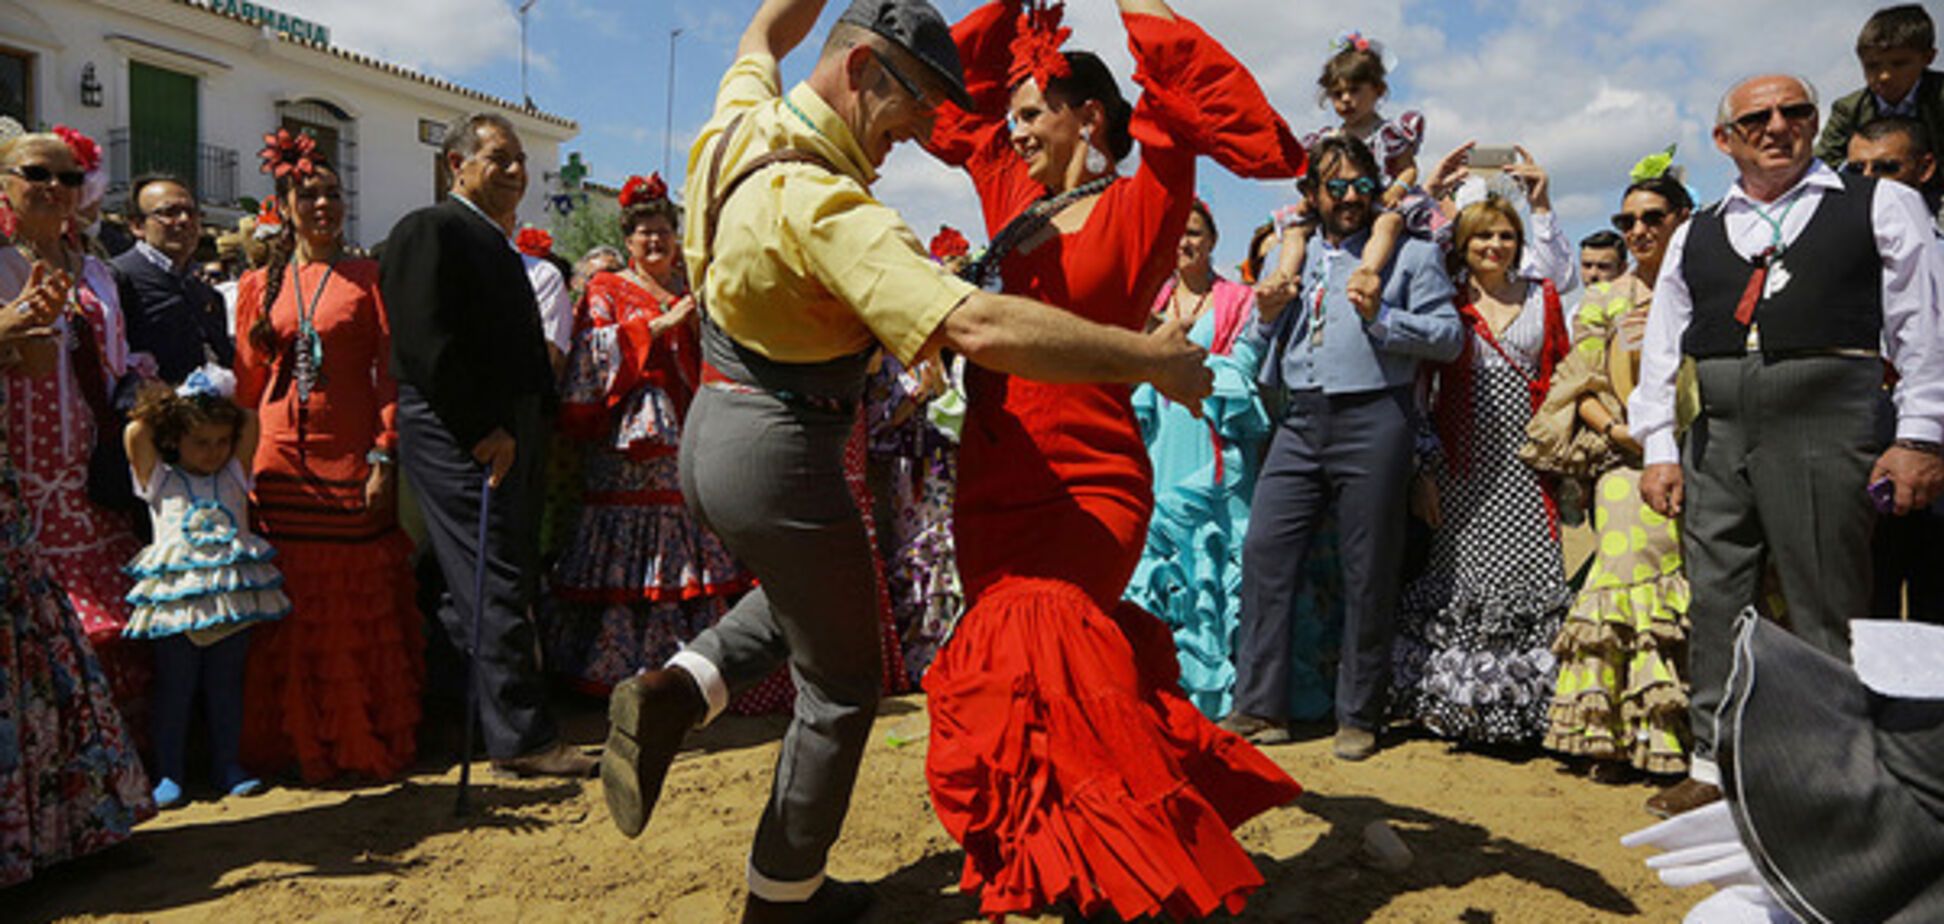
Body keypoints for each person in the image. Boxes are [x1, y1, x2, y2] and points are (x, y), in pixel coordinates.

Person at [595, 0, 1218, 919]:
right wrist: (1151, 359)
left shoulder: (743, 119)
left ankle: (682, 686)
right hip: (782, 451)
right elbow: (977, 325)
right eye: (913, 105)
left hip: (715, 437)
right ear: (862, 73)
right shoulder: (827, 205)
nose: (919, 134)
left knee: (826, 596)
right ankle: (784, 898)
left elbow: (761, 35)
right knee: (842, 682)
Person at [920, 2, 1311, 917]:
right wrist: (1013, 12)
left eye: (1031, 114)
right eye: (1012, 117)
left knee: (1044, 634)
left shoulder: (1147, 197)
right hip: (993, 466)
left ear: (1087, 117)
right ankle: (1058, 864)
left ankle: (1142, 870)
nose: (1012, 132)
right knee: (1029, 679)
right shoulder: (1002, 187)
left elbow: (1199, 94)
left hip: (1090, 479)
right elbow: (947, 90)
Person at [1632, 74, 1944, 819]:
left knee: (1825, 598)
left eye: (1794, 111)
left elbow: (1921, 326)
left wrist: (1920, 435)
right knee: (1715, 600)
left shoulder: (1880, 202)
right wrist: (1657, 447)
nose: (1777, 125)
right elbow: (1662, 346)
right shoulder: (1697, 228)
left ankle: (1838, 764)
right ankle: (1713, 760)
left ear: (1812, 122)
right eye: (1756, 116)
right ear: (1724, 139)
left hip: (1829, 418)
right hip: (1720, 430)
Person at [1228, 134, 1463, 761]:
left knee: (1369, 570)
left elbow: (1448, 336)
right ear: (1313, 195)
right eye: (1337, 187)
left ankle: (1358, 715)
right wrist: (1268, 312)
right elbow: (1263, 333)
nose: (1352, 197)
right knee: (1266, 552)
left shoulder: (1410, 257)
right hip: (1301, 420)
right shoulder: (1290, 252)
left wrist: (1384, 319)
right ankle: (1260, 706)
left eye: (1361, 184)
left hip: (1374, 416)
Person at [382, 112, 595, 780]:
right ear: (457, 166)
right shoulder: (430, 229)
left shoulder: (494, 243)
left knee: (465, 581)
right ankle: (522, 741)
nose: (515, 171)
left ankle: (463, 718)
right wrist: (483, 432)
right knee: (494, 575)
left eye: (520, 160)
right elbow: (426, 344)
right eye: (498, 158)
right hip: (466, 429)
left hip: (506, 426)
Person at [233, 134, 424, 783]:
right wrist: (239, 473)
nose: (323, 204)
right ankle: (292, 744)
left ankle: (355, 738)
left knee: (350, 601)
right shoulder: (259, 285)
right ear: (284, 206)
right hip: (279, 463)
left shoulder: (372, 278)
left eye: (333, 194)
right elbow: (248, 386)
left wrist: (383, 453)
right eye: (308, 194)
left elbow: (392, 376)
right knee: (286, 606)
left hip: (352, 459)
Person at [0, 153, 153, 881]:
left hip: (81, 460)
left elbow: (89, 360)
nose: (57, 188)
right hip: (17, 478)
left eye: (69, 177)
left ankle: (80, 811)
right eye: (38, 172)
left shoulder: (93, 266)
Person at [1127, 200, 1337, 720]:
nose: (1185, 242)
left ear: (1213, 239)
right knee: (1163, 557)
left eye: (1195, 232)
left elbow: (1251, 361)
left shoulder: (1240, 300)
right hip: (1163, 448)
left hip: (1220, 444)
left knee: (1227, 556)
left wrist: (1194, 367)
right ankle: (1165, 680)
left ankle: (1237, 690)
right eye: (1176, 233)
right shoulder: (1149, 300)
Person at [545, 173, 751, 695]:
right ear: (627, 239)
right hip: (629, 439)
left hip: (690, 428)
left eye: (662, 230)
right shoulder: (606, 288)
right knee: (625, 543)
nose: (654, 241)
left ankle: (691, 671)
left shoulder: (693, 287)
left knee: (686, 534)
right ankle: (615, 669)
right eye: (643, 233)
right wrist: (656, 327)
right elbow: (590, 357)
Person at [1391, 186, 1575, 746]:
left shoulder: (1543, 296)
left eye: (1505, 236)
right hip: (1462, 464)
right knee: (1460, 580)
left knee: (1532, 575)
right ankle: (1458, 710)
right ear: (1463, 245)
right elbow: (1422, 389)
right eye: (1482, 236)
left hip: (1528, 462)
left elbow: (1566, 373)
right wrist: (1423, 469)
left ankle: (1525, 715)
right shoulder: (1444, 302)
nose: (1495, 245)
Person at [1542, 163, 1697, 780]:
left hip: (1703, 460)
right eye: (1626, 221)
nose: (1637, 230)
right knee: (1622, 584)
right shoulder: (1603, 299)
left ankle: (1686, 737)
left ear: (1682, 218)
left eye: (1651, 218)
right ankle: (1620, 738)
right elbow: (1574, 387)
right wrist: (1616, 432)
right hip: (1625, 464)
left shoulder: (1709, 292)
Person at [123, 368, 287, 807]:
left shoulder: (235, 474)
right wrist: (173, 406)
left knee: (226, 685)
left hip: (230, 601)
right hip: (178, 606)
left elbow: (250, 421)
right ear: (175, 439)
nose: (213, 452)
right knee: (175, 688)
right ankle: (170, 772)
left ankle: (228, 764)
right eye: (200, 442)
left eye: (220, 441)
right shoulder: (159, 480)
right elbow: (136, 430)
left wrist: (220, 403)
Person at [1266, 31, 1421, 328]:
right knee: (1295, 230)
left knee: (1389, 223)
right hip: (1337, 204)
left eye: (1355, 90)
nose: (1346, 100)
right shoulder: (1329, 138)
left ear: (1377, 90)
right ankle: (1283, 276)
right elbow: (1315, 178)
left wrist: (1399, 189)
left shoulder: (1388, 133)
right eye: (1338, 94)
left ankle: (1367, 270)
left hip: (1378, 198)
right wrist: (1305, 202)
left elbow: (1408, 168)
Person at [1816, 4, 1944, 203]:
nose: (1884, 76)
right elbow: (1823, 167)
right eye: (1872, 66)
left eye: (1899, 64)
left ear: (1928, 58)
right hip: (1872, 200)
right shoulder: (1849, 109)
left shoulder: (1939, 98)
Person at [111, 173, 232, 383]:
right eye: (169, 212)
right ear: (137, 225)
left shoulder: (206, 293)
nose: (184, 220)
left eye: (191, 212)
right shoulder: (116, 279)